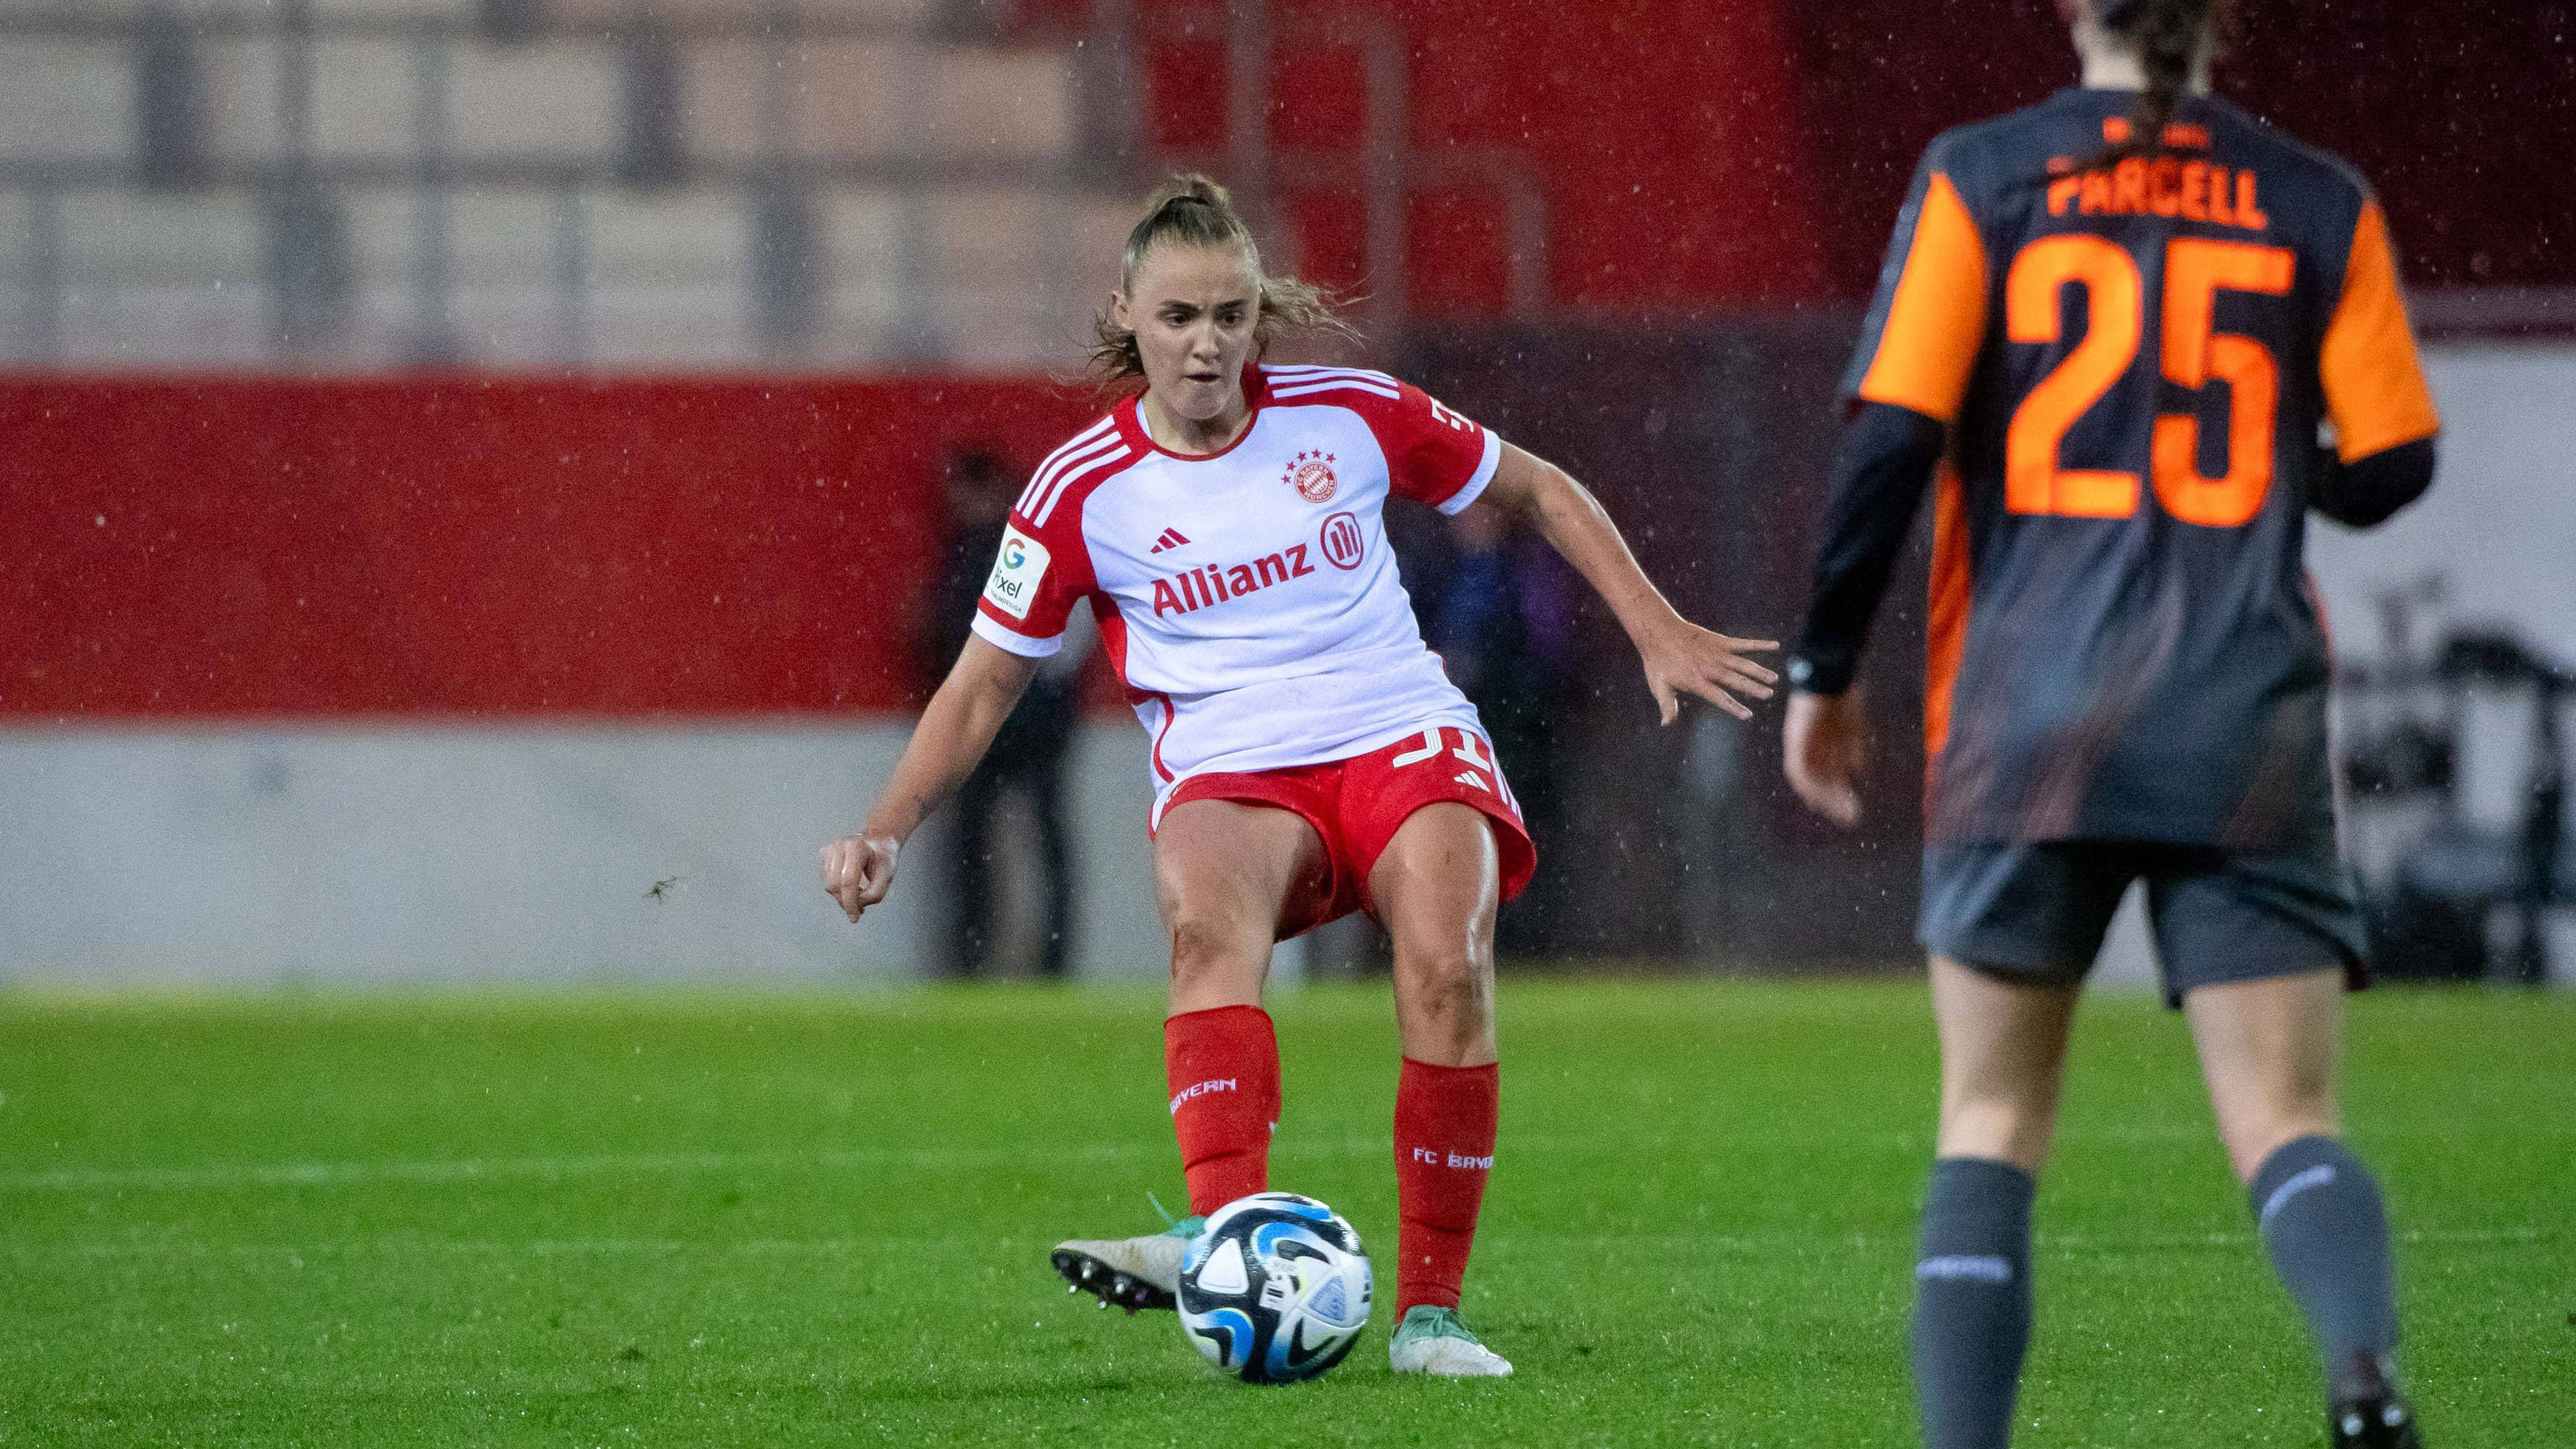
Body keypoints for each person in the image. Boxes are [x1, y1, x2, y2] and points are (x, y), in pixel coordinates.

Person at [821, 175, 1778, 1376]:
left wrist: (1653, 624)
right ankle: (1230, 1238)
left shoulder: (1349, 414)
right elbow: (978, 683)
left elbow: (1532, 483)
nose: (1206, 343)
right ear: (1125, 314)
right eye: (1178, 317)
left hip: (1394, 724)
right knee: (1203, 935)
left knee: (1446, 965)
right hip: (1229, 762)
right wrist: (887, 826)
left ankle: (1429, 1315)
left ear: (1259, 315)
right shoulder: (1078, 492)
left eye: (1229, 314)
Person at [1781, 3, 2440, 1446]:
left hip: (2028, 717)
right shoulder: (2314, 196)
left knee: (1994, 1124)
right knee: (2285, 1120)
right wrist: (2274, 469)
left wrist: (1823, 669)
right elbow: (2394, 460)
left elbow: (1890, 438)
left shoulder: (1983, 174)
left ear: (2072, 9)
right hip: (2241, 716)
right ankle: (2360, 1366)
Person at [918, 446, 1088, 979]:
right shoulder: (1003, 546)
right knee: (1024, 845)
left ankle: (980, 954)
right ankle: (1032, 956)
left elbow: (1055, 636)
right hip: (1025, 723)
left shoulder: (999, 549)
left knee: (988, 848)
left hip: (1009, 725)